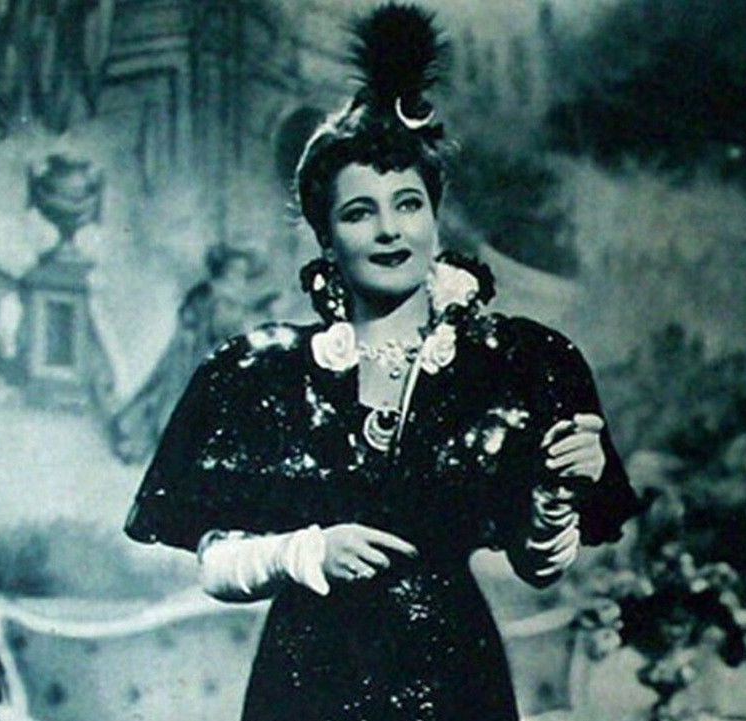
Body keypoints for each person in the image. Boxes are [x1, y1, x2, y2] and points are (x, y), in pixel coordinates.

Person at [124, 5, 641, 720]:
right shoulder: (262, 373)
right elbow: (215, 563)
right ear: (326, 237)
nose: (390, 229)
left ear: (435, 218)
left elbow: (540, 565)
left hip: (455, 678)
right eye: (360, 211)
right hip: (307, 681)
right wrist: (307, 553)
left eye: (408, 204)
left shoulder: (512, 366)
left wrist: (556, 492)